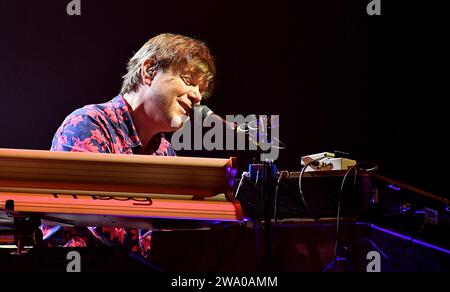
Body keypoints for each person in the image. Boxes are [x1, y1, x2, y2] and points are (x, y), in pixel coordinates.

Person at [43, 33, 216, 256]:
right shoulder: (88, 125)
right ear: (149, 71)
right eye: (189, 81)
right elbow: (93, 220)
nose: (197, 97)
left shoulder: (165, 152)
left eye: (201, 91)